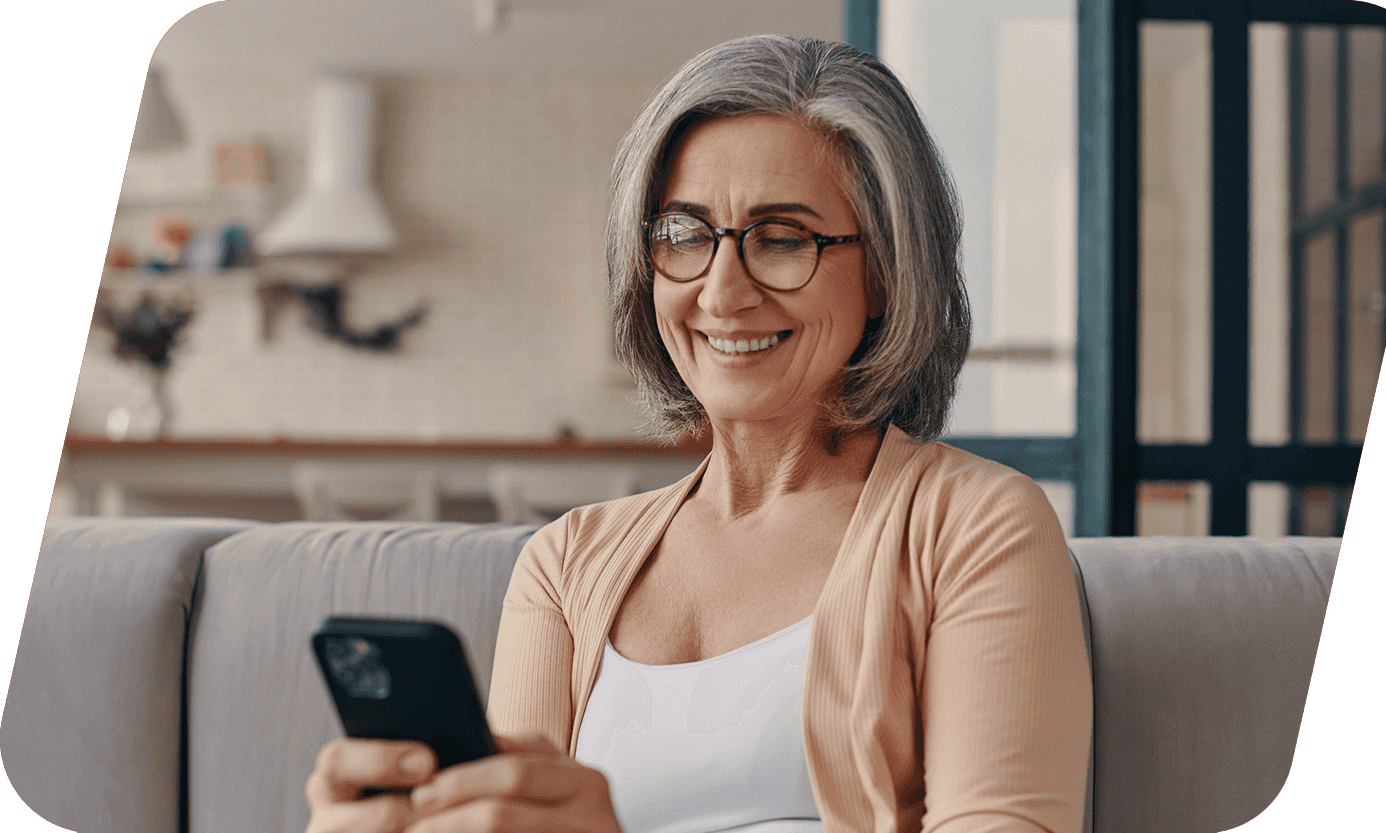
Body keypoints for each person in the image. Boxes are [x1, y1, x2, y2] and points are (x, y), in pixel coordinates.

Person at [304, 34, 1091, 833]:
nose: (721, 292)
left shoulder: (977, 525)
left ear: (886, 268)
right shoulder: (564, 564)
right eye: (685, 234)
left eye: (782, 238)